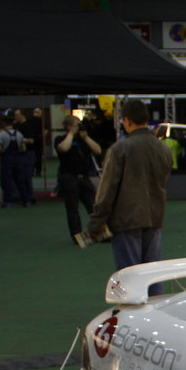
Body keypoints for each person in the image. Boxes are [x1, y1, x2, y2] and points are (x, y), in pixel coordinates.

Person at [87, 98, 173, 289]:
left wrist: (96, 221)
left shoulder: (120, 149)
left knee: (130, 278)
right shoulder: (164, 149)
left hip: (127, 220)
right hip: (154, 217)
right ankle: (157, 315)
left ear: (126, 120)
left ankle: (134, 317)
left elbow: (107, 189)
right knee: (153, 276)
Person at [55, 114, 103, 248]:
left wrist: (85, 137)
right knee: (72, 208)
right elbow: (63, 148)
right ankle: (77, 235)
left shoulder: (83, 140)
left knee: (94, 205)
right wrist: (71, 133)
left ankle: (99, 232)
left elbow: (98, 150)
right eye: (76, 124)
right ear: (69, 126)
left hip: (84, 177)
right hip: (69, 176)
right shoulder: (61, 139)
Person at [0, 113, 30, 208]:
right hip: (18, 159)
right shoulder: (19, 134)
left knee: (7, 181)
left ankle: (8, 202)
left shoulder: (2, 135)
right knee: (20, 181)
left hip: (7, 159)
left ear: (3, 123)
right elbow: (23, 148)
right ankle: (26, 201)